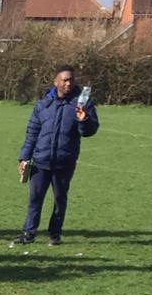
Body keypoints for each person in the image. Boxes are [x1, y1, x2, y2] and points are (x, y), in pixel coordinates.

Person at [15, 65, 99, 247]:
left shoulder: (82, 103)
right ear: (56, 82)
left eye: (71, 80)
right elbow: (32, 133)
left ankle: (55, 234)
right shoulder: (43, 104)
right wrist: (23, 157)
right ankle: (28, 233)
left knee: (60, 199)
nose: (68, 83)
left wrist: (83, 120)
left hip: (64, 162)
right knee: (34, 199)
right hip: (40, 161)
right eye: (65, 80)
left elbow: (90, 131)